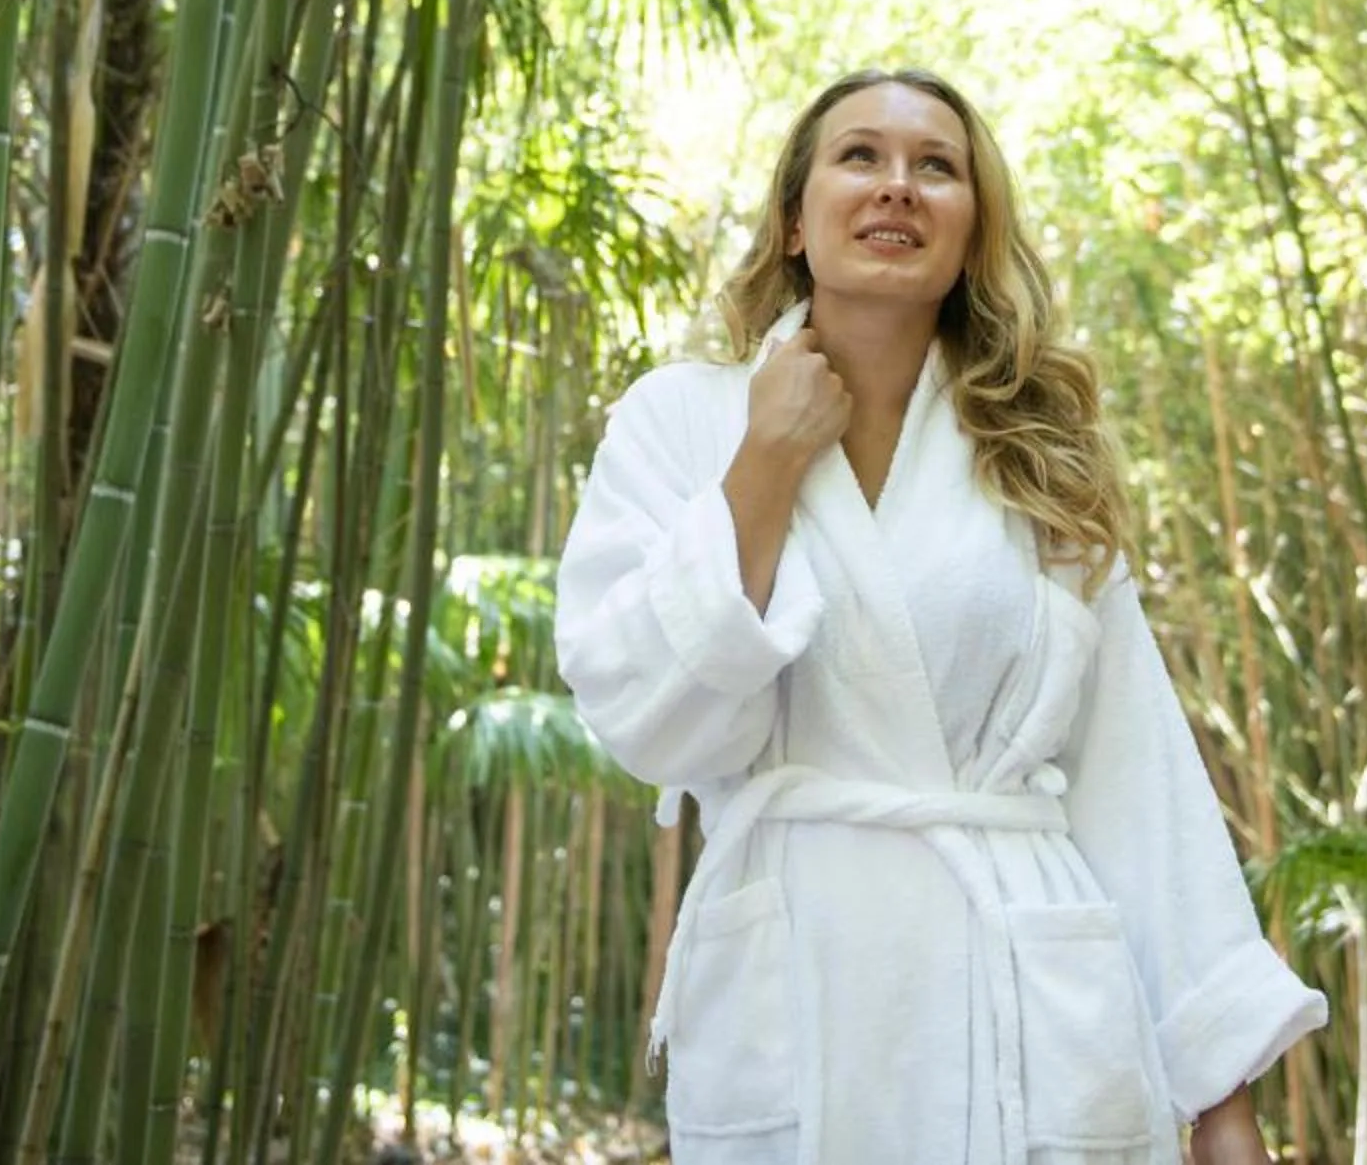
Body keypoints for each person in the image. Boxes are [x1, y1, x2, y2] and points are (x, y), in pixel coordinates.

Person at [556, 69, 1327, 1164]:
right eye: (859, 156)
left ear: (971, 233)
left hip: (1028, 1001)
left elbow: (1136, 773)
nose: (898, 186)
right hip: (795, 992)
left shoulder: (1035, 456)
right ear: (794, 220)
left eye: (936, 167)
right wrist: (765, 459)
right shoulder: (680, 420)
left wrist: (1222, 1092)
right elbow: (649, 720)